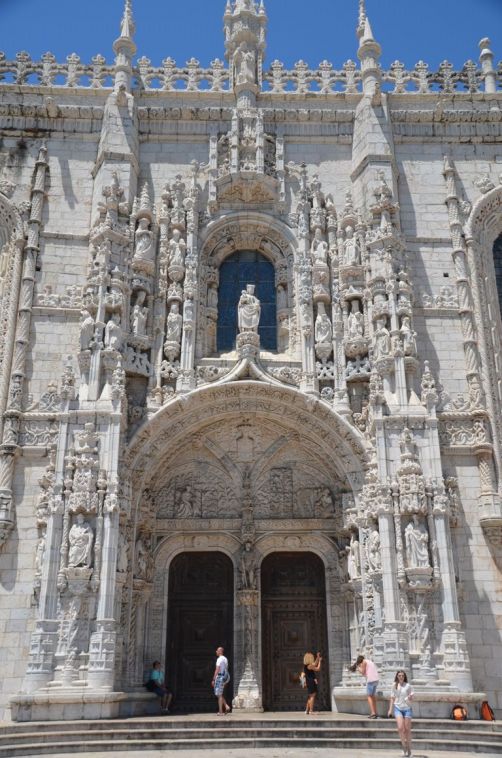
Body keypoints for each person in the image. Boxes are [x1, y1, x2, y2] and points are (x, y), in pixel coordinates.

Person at [388, 670, 414, 757]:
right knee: (400, 728)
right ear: (397, 676)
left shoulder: (408, 686)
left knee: (407, 729)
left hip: (407, 708)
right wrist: (390, 710)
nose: (401, 677)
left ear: (404, 677)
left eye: (402, 675)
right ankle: (403, 747)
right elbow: (392, 697)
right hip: (398, 707)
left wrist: (410, 697)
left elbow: (412, 697)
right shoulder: (394, 685)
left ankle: (409, 749)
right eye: (399, 675)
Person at [212, 646, 231, 715]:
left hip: (220, 677)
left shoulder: (219, 659)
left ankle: (220, 712)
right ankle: (226, 706)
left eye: (217, 650)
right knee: (219, 693)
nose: (216, 651)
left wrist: (214, 679)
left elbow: (217, 669)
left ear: (220, 651)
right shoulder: (225, 659)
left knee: (219, 695)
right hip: (225, 677)